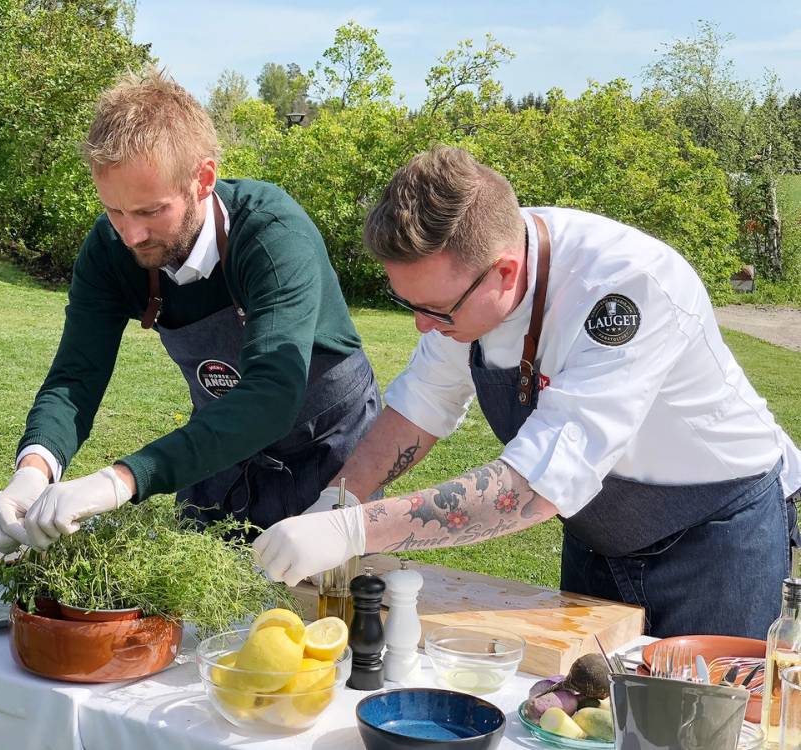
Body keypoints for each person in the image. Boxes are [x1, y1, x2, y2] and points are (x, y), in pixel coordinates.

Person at [253, 145, 801, 639]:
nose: (422, 326)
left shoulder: (627, 288)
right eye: (410, 306)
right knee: (584, 715)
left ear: (505, 273)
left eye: (435, 311)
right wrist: (340, 497)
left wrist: (354, 530)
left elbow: (536, 486)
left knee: (708, 723)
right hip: (596, 532)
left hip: (715, 537)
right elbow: (422, 402)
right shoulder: (467, 285)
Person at [0, 71, 379, 555]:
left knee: (321, 618)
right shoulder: (111, 249)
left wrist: (120, 481)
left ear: (203, 179)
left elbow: (272, 395)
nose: (130, 234)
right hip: (215, 451)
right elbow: (76, 376)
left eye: (150, 211)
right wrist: (33, 470)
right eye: (115, 210)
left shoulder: (273, 235)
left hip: (328, 451)